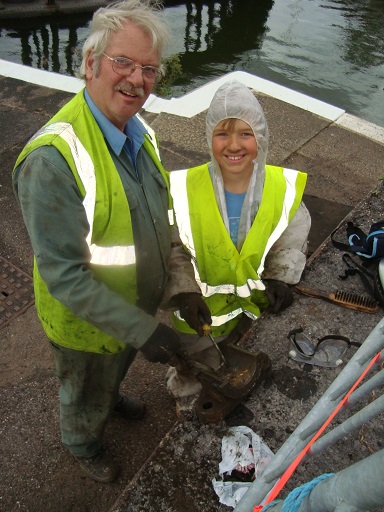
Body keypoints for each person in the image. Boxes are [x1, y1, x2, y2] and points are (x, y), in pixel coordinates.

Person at [12, 0, 210, 483]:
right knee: (83, 388)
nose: (137, 79)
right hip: (86, 324)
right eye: (123, 61)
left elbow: (161, 223)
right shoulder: (51, 162)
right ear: (89, 63)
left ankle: (111, 395)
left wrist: (183, 287)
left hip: (131, 312)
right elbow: (66, 277)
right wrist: (145, 331)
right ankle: (82, 442)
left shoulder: (139, 133)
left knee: (113, 370)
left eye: (148, 69)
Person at [167, 80, 311, 419]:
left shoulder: (279, 188)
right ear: (208, 138)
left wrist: (281, 276)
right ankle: (185, 396)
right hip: (197, 311)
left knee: (237, 351)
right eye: (222, 134)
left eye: (245, 134)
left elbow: (291, 232)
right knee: (192, 360)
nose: (234, 145)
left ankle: (227, 387)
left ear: (260, 137)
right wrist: (182, 292)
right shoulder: (183, 190)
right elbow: (171, 245)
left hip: (250, 305)